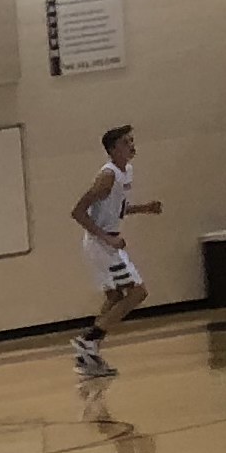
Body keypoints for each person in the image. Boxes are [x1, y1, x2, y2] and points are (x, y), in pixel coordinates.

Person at [68, 126, 159, 382]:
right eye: (126, 142)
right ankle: (88, 340)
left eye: (132, 140)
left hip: (105, 243)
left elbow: (116, 207)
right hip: (102, 243)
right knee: (138, 292)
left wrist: (144, 208)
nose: (131, 145)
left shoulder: (126, 171)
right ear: (113, 149)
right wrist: (107, 238)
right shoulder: (107, 176)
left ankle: (87, 355)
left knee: (115, 296)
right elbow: (78, 212)